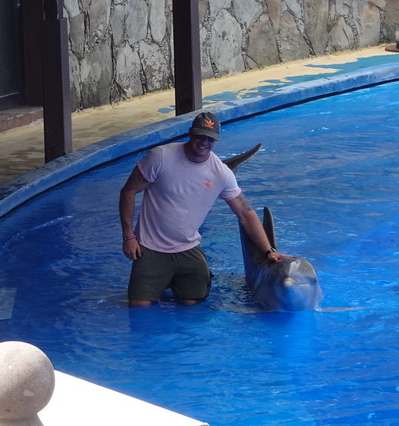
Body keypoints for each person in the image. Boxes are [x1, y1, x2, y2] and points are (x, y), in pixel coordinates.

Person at [119, 112, 286, 307]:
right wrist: (128, 237)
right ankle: (164, 279)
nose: (203, 142)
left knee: (193, 303)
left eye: (210, 138)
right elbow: (128, 191)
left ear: (216, 140)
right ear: (190, 132)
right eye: (199, 135)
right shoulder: (161, 157)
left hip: (187, 247)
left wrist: (269, 251)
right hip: (150, 247)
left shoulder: (221, 173)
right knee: (139, 307)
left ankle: (171, 280)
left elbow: (245, 213)